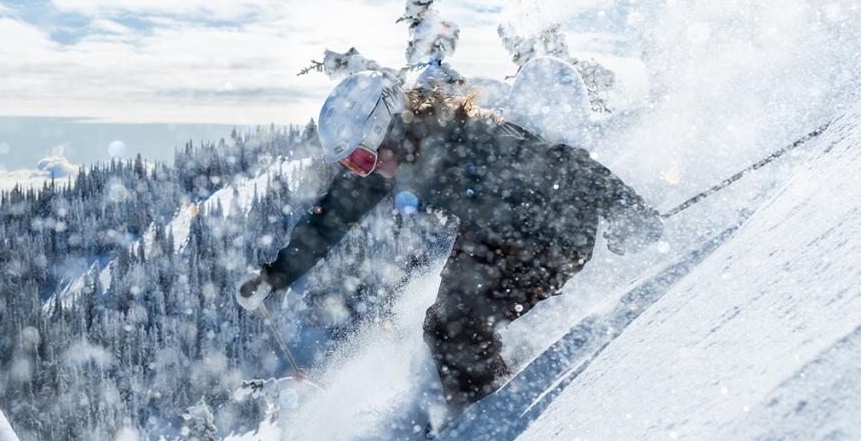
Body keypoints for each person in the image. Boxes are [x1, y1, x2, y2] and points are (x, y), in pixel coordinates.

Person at [236, 66, 662, 413]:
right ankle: (481, 399)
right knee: (441, 325)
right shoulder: (392, 161)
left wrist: (627, 208)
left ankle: (491, 418)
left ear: (389, 130)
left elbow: (566, 164)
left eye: (362, 158)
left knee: (456, 331)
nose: (361, 172)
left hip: (554, 234)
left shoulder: (471, 140)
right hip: (492, 234)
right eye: (350, 164)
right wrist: (275, 276)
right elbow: (329, 219)